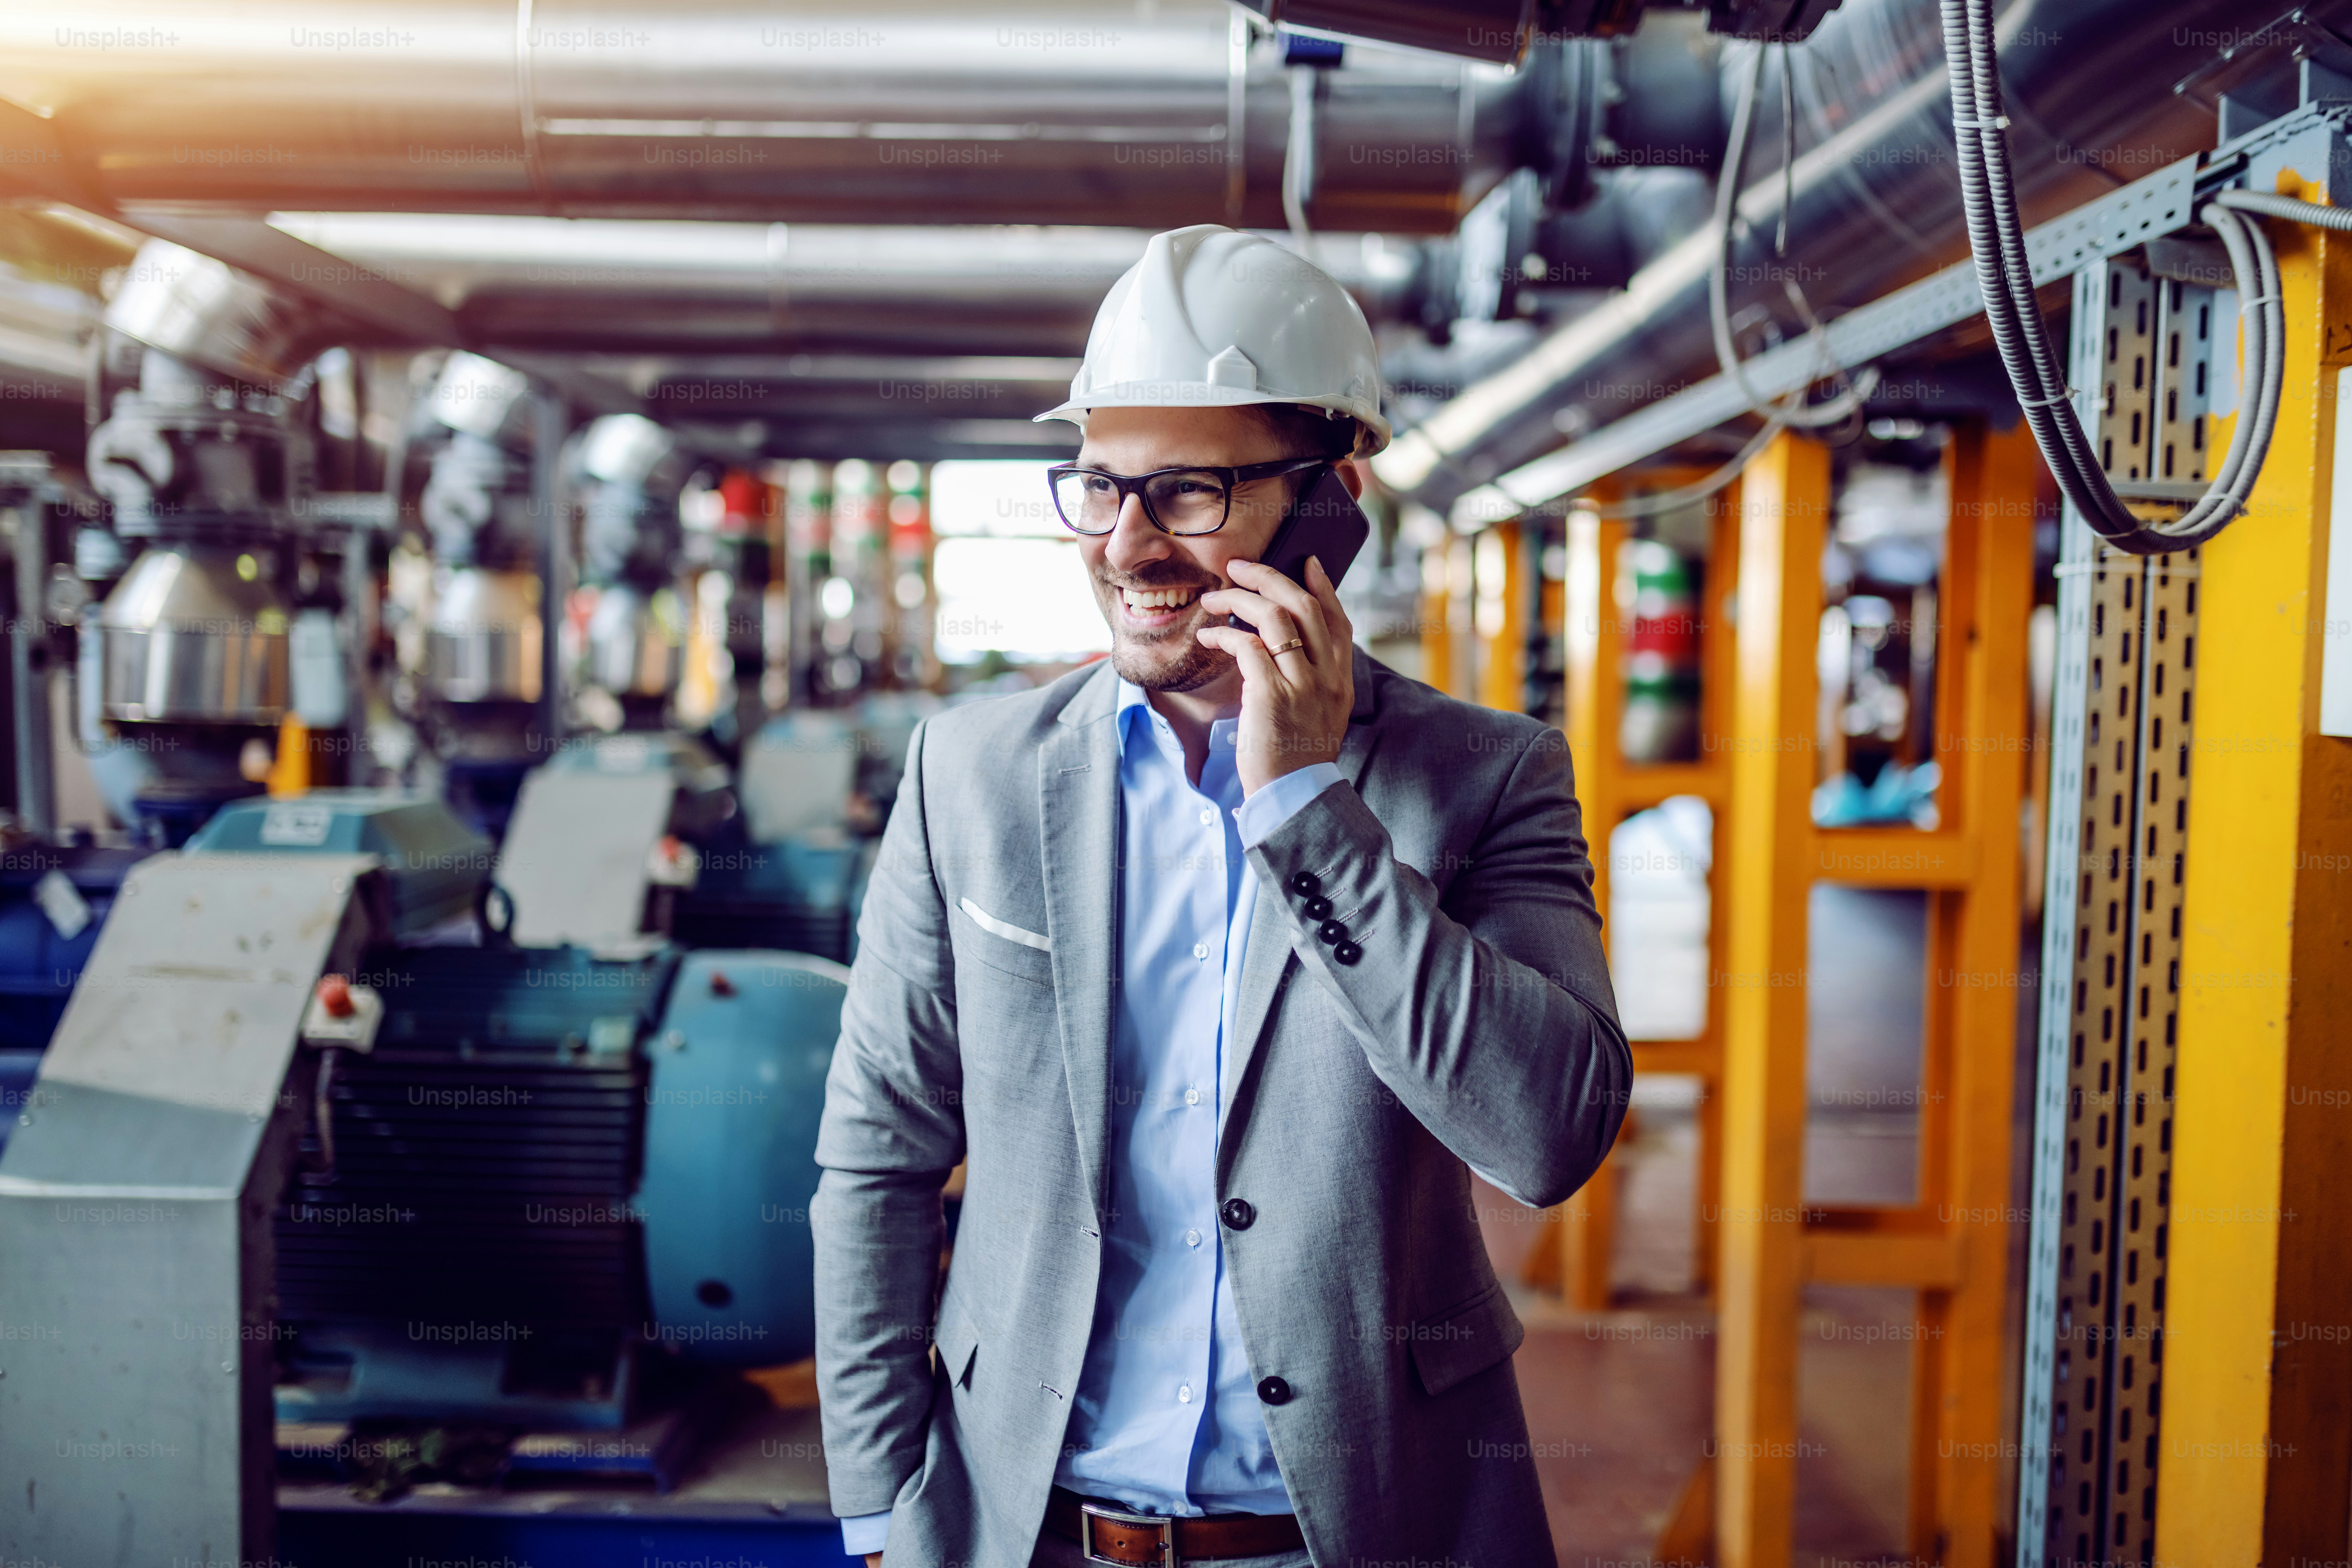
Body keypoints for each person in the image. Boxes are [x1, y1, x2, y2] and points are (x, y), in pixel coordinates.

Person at [813, 224, 1629, 1568]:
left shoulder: (1488, 778)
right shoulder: (970, 774)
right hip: (1026, 1532)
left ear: (1330, 506)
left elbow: (1548, 1135)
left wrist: (1307, 806)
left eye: (1188, 493)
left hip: (1361, 1528)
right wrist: (882, 1506)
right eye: (1100, 487)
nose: (1129, 547)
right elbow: (876, 1155)